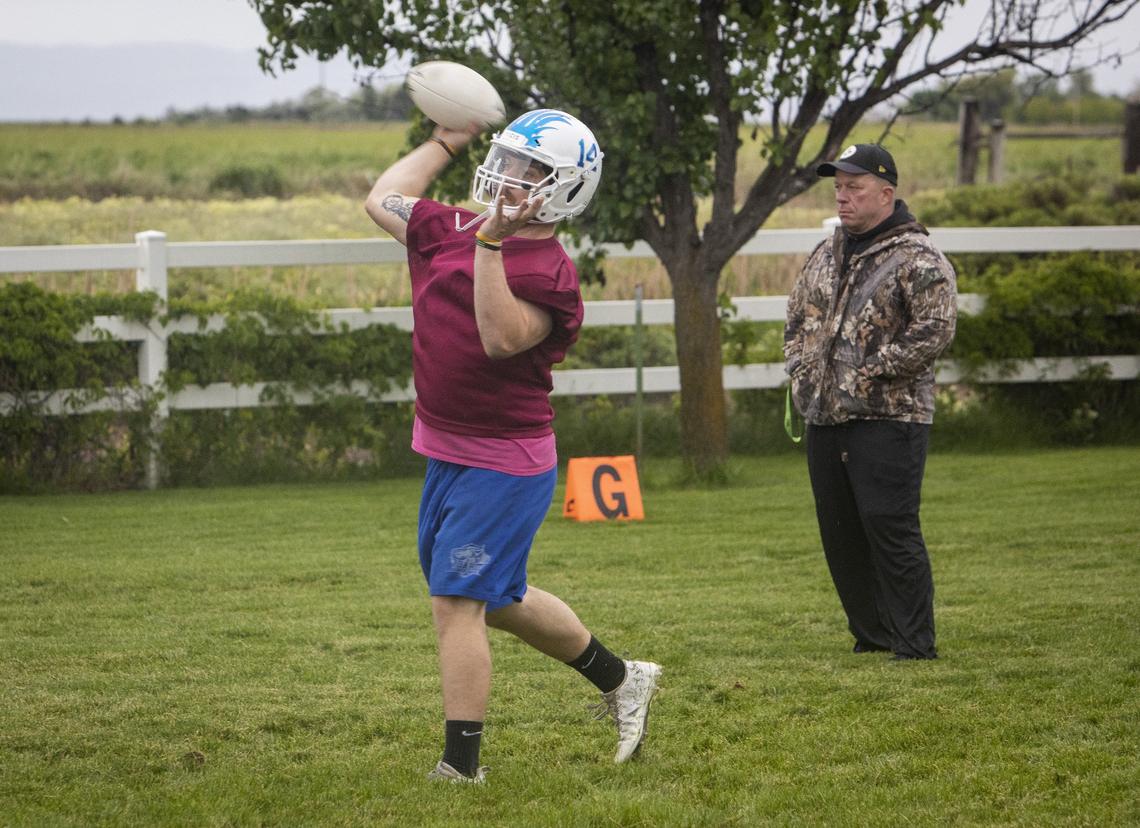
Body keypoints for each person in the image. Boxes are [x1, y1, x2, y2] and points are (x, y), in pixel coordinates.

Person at [364, 108, 661, 782]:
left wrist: (491, 247)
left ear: (564, 189)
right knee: (496, 598)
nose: (506, 176)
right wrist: (445, 141)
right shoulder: (457, 225)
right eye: (505, 160)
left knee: (456, 602)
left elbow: (500, 339)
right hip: (447, 450)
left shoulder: (550, 271)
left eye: (528, 170)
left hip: (502, 461)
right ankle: (623, 678)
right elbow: (382, 198)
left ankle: (461, 765)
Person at [783, 144, 957, 661]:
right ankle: (873, 633)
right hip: (824, 415)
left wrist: (870, 372)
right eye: (838, 187)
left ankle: (914, 642)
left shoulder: (918, 257)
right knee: (839, 533)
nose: (842, 197)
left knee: (889, 526)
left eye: (854, 188)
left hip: (890, 416)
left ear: (886, 193)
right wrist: (801, 369)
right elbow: (797, 317)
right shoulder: (825, 252)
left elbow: (935, 329)